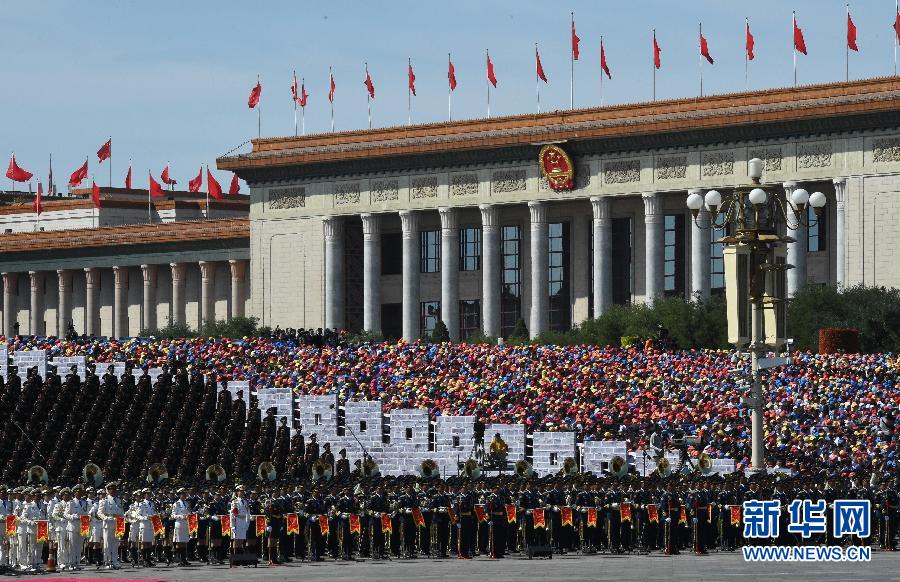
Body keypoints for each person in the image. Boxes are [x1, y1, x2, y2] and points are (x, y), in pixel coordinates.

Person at [96, 482, 124, 570]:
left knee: (116, 543)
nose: (113, 491)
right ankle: (107, 561)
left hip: (117, 523)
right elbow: (99, 513)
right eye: (111, 489)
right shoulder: (104, 500)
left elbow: (121, 511)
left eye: (115, 489)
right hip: (108, 523)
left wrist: (122, 517)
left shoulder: (119, 500)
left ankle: (114, 560)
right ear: (108, 490)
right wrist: (106, 518)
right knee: (107, 543)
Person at [229, 485, 249, 566]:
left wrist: (247, 522)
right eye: (240, 491)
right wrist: (232, 525)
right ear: (237, 492)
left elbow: (248, 512)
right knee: (236, 540)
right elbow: (232, 514)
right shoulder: (234, 501)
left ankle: (240, 558)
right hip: (237, 521)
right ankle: (235, 560)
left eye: (243, 491)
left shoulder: (246, 501)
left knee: (241, 540)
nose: (242, 493)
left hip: (243, 521)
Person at [171, 488, 191, 566]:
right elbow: (173, 515)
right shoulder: (176, 504)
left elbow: (189, 512)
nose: (184, 495)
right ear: (180, 495)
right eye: (183, 494)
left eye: (185, 494)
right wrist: (181, 516)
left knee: (184, 542)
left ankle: (184, 559)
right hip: (179, 524)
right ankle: (180, 559)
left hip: (186, 524)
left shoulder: (187, 503)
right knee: (179, 542)